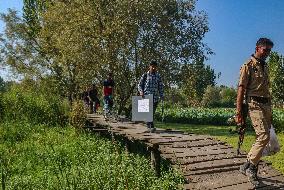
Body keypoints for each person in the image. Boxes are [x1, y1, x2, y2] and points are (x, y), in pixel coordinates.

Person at [236, 38, 274, 187]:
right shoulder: (248, 66)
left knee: (265, 136)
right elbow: (241, 89)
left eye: (269, 51)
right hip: (254, 104)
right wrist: (239, 111)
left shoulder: (266, 66)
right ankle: (252, 168)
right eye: (265, 50)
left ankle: (246, 164)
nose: (267, 53)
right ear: (257, 48)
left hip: (266, 105)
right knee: (263, 136)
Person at [138, 60, 164, 132]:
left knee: (152, 113)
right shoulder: (145, 75)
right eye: (152, 66)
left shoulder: (158, 76)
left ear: (156, 67)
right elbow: (140, 85)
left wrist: (162, 95)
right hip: (146, 96)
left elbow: (160, 86)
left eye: (155, 67)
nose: (153, 68)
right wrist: (141, 92)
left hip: (155, 97)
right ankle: (151, 126)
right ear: (149, 66)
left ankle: (149, 126)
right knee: (149, 112)